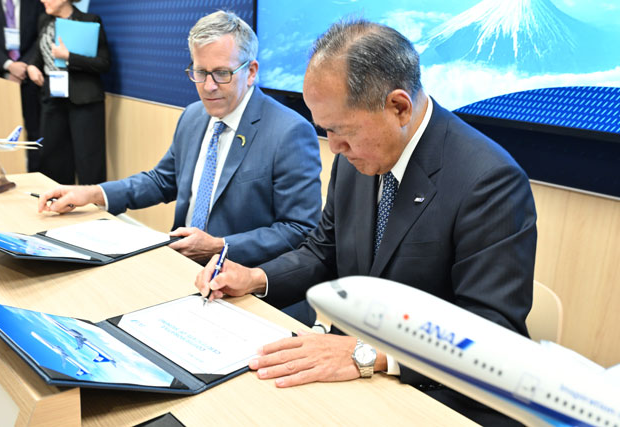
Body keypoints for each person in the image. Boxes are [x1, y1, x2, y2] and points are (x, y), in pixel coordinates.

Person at [195, 19, 537, 425]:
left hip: (439, 398)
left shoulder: (489, 180)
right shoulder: (357, 155)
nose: (335, 148)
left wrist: (371, 354)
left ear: (398, 108)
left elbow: (492, 336)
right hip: (355, 381)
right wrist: (254, 277)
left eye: (342, 132)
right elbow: (323, 251)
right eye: (326, 130)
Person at [37, 11, 322, 268]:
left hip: (243, 280)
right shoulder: (193, 116)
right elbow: (161, 181)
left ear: (251, 72)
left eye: (222, 73)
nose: (208, 86)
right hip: (180, 266)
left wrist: (220, 246)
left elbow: (299, 229)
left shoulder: (289, 131)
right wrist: (91, 194)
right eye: (200, 72)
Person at [26, 0, 109, 185]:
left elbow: (103, 63)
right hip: (52, 100)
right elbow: (39, 54)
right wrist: (32, 66)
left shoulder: (89, 20)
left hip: (84, 101)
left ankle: (92, 202)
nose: (42, 0)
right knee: (52, 160)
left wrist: (69, 57)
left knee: (89, 162)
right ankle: (57, 200)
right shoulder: (44, 21)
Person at [0, 0, 44, 170]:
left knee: (34, 129)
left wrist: (22, 67)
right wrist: (9, 65)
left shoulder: (35, 3)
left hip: (29, 74)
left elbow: (40, 36)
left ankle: (35, 174)